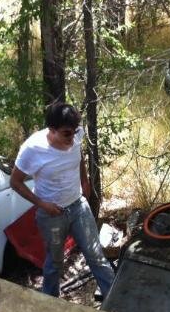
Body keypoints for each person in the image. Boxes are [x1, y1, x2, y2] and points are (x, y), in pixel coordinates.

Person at [10, 102, 115, 299]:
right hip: (52, 215)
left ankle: (115, 301)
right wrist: (42, 204)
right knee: (55, 262)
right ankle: (51, 301)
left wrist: (84, 181)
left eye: (75, 132)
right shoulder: (33, 149)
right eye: (67, 133)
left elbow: (79, 156)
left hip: (78, 206)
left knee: (96, 255)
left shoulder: (75, 136)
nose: (73, 138)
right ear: (51, 130)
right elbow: (15, 182)